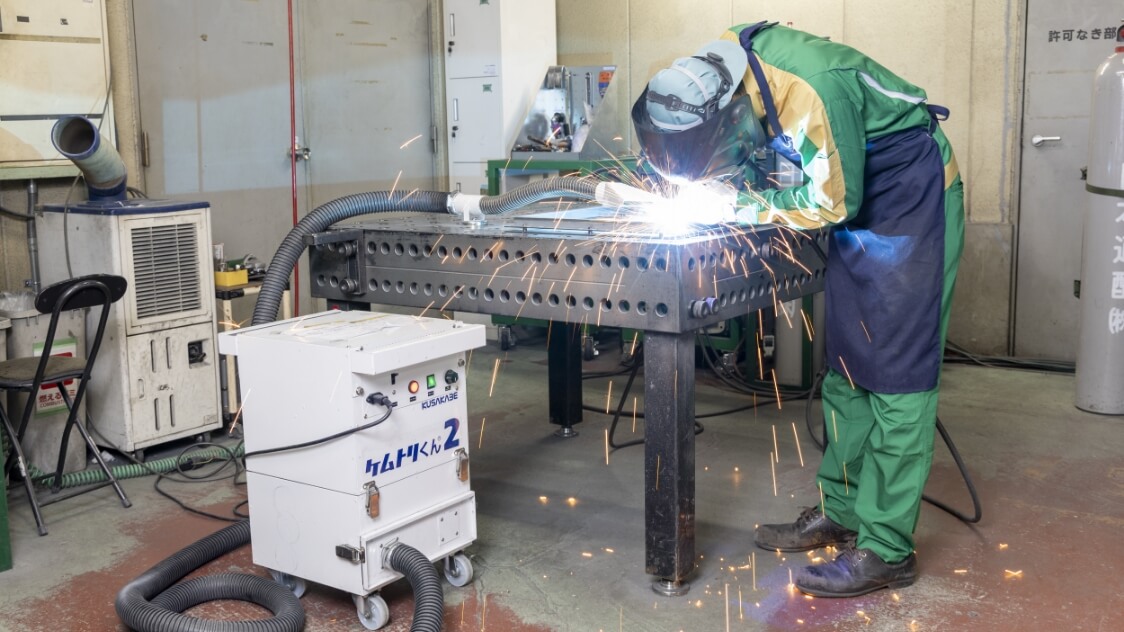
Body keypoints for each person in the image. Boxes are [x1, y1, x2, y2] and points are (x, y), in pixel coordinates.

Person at [631, 22, 965, 597]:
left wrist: (737, 205)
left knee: (898, 378)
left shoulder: (810, 87)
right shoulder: (722, 70)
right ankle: (842, 511)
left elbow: (832, 201)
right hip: (854, 191)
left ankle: (887, 549)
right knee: (848, 368)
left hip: (909, 196)